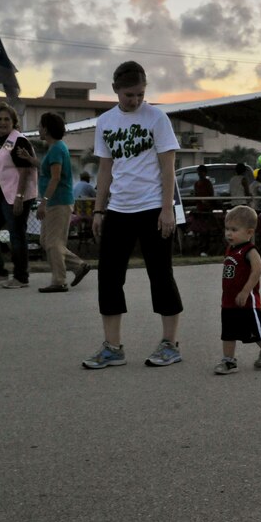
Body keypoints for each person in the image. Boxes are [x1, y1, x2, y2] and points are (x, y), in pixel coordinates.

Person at [83, 61, 183, 370]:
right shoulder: (105, 122)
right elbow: (105, 169)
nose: (135, 100)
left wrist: (167, 210)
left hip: (154, 207)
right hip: (118, 209)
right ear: (115, 89)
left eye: (140, 94)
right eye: (129, 95)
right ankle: (113, 347)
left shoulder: (158, 118)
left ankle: (170, 344)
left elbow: (168, 168)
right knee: (109, 277)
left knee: (160, 274)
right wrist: (99, 209)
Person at [0, 103, 38, 289]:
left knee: (16, 236)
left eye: (6, 119)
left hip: (15, 196)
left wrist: (20, 196)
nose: (3, 122)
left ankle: (21, 277)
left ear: (13, 122)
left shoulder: (19, 140)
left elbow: (25, 170)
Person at [28, 113, 90, 293]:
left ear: (46, 129)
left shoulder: (56, 149)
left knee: (53, 242)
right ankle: (79, 266)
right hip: (56, 202)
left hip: (58, 202)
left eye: (40, 126)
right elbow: (49, 171)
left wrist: (43, 202)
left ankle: (59, 281)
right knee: (46, 240)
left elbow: (55, 178)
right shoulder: (56, 148)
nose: (38, 129)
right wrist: (32, 161)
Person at [215, 205, 261, 375]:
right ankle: (229, 361)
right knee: (227, 332)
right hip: (228, 301)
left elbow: (257, 271)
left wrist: (244, 291)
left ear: (249, 232)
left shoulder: (250, 251)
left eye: (234, 230)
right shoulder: (230, 249)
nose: (229, 233)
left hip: (247, 303)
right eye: (227, 229)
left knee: (256, 333)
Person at [190, 164, 217, 255]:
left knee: (206, 230)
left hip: (207, 209)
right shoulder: (196, 184)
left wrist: (208, 203)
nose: (199, 174)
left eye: (201, 172)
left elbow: (211, 195)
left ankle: (206, 248)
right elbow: (196, 196)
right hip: (200, 209)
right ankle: (201, 248)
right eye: (198, 172)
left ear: (204, 173)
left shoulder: (207, 183)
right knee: (200, 230)